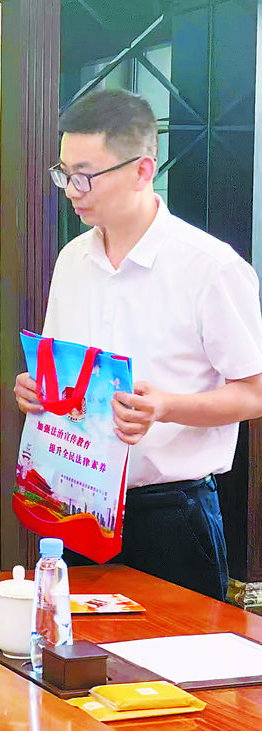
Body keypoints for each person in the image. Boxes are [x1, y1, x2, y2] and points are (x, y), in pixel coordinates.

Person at [14, 89, 262, 601]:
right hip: (76, 502)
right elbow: (66, 373)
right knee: (69, 647)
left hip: (171, 514)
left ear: (142, 170)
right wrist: (38, 391)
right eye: (64, 174)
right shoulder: (71, 260)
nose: (72, 190)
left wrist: (166, 407)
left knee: (179, 652)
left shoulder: (210, 267)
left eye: (86, 175)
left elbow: (255, 391)